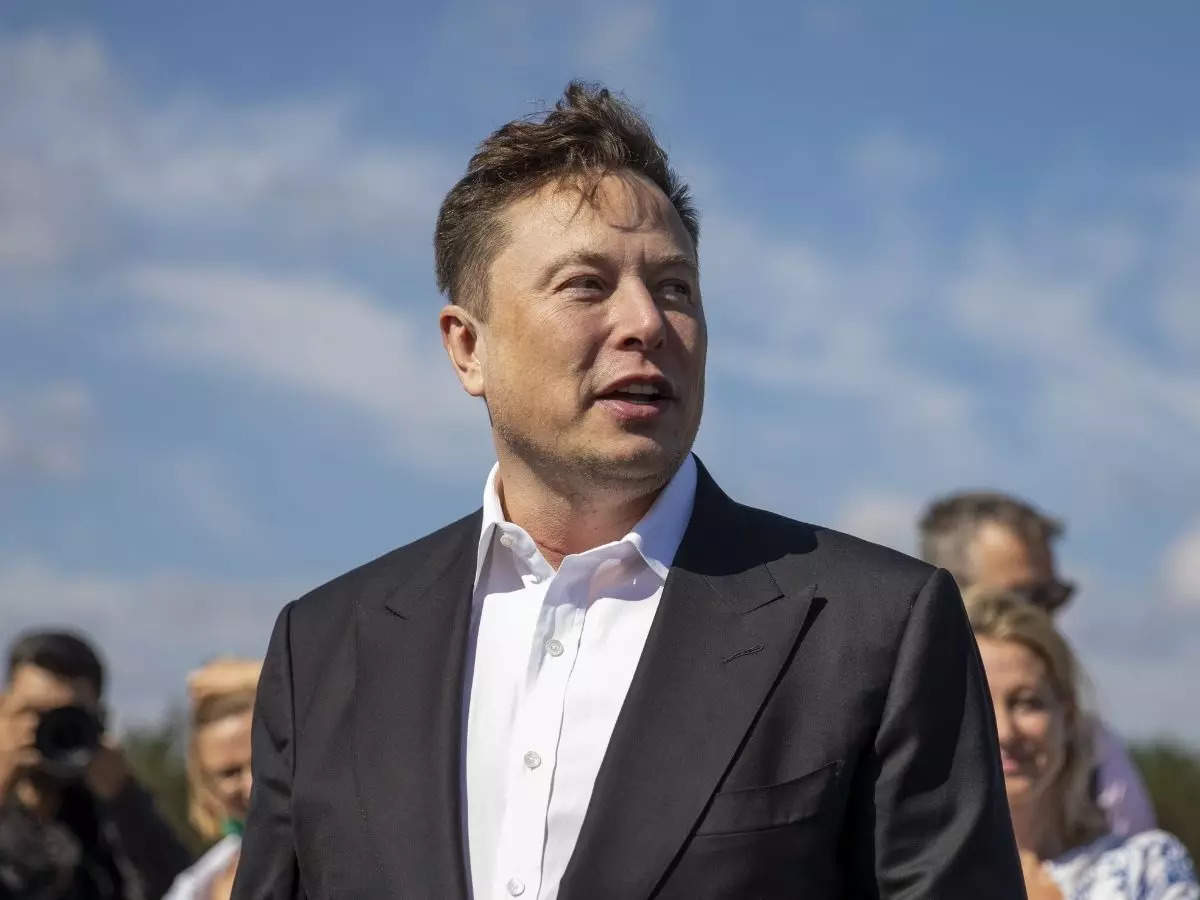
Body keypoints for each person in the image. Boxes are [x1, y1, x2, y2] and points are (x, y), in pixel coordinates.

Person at [233, 82, 1025, 899]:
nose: (646, 321)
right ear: (468, 348)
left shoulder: (874, 628)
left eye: (675, 287)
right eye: (586, 284)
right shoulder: (322, 650)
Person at [919, 491, 1158, 836]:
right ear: (944, 594)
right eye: (1023, 598)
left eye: (1054, 595)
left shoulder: (1095, 755)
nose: (1045, 616)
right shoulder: (884, 735)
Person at [964, 586, 1198, 900]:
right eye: (980, 703)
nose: (1005, 732)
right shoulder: (917, 874)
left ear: (1068, 716)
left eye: (1027, 702)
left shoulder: (1144, 870)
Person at [0, 630, 191, 899]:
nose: (50, 729)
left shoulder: (110, 817)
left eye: (67, 715)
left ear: (98, 720)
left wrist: (125, 799)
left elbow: (179, 889)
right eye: (34, 712)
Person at [165, 658, 261, 900]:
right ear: (205, 783)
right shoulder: (195, 888)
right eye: (230, 773)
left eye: (261, 763)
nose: (251, 785)